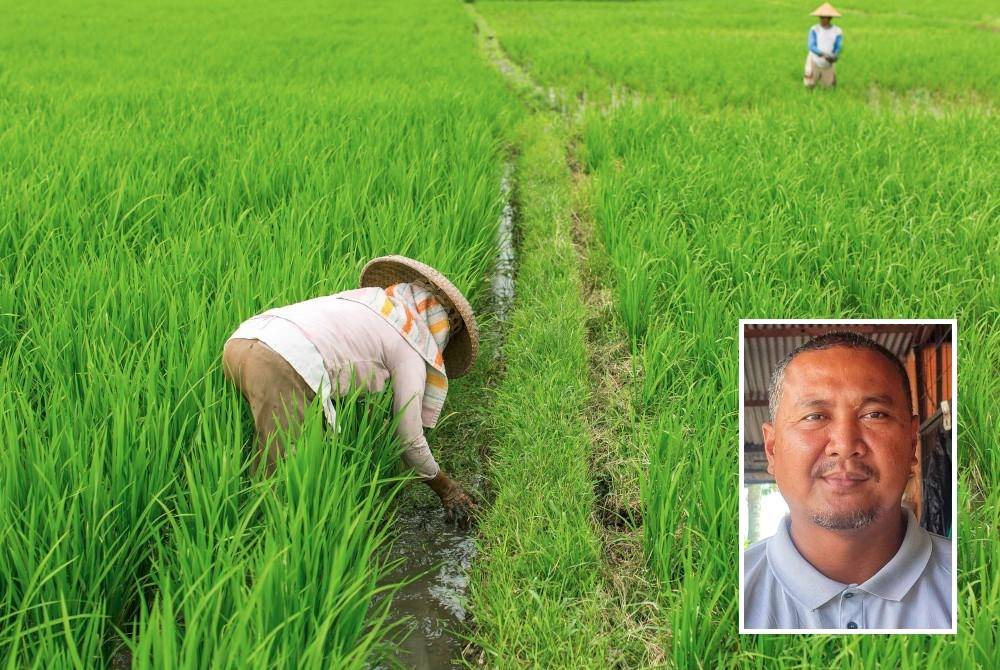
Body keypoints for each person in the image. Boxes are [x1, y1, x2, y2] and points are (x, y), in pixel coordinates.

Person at [222, 255, 478, 529]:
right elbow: (408, 438)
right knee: (287, 477)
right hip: (280, 361)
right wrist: (447, 489)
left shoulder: (364, 303)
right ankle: (272, 543)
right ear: (437, 328)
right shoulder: (410, 343)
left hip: (240, 342)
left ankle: (251, 525)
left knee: (276, 451)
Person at [744, 332, 952, 630]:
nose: (844, 443)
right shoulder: (722, 595)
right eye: (815, 416)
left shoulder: (975, 581)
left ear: (911, 442)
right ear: (771, 449)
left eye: (875, 414)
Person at [804, 3, 843, 89]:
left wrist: (835, 55)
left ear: (830, 18)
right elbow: (811, 45)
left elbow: (838, 46)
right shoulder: (814, 29)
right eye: (821, 17)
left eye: (825, 17)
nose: (823, 19)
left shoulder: (837, 31)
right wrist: (822, 54)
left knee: (827, 87)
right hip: (814, 59)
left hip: (828, 62)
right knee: (809, 85)